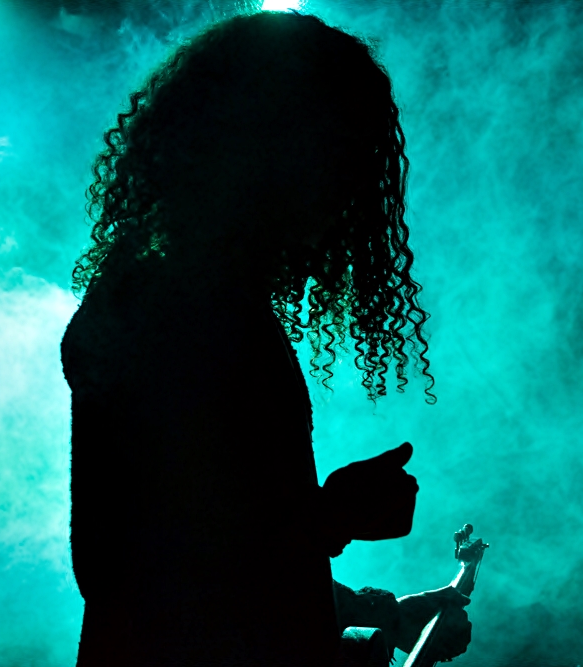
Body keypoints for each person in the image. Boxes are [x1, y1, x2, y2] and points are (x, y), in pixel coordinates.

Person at [61, 10, 471, 666]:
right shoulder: (166, 301)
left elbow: (227, 546)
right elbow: (121, 566)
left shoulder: (204, 296)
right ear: (266, 149)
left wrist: (374, 616)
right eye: (337, 156)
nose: (347, 197)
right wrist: (330, 517)